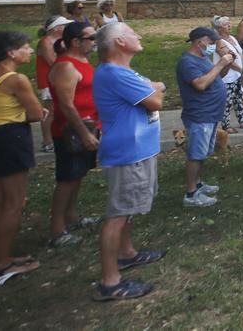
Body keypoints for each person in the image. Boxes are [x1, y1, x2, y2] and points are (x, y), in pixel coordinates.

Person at [92, 23, 166, 301]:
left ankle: (127, 253)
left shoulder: (122, 72)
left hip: (139, 150)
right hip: (127, 153)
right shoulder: (114, 73)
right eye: (133, 33)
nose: (140, 35)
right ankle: (110, 282)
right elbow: (156, 100)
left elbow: (151, 93)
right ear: (120, 42)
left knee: (128, 210)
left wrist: (152, 88)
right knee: (118, 214)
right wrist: (155, 87)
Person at [0, 31, 46, 283]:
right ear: (11, 53)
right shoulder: (16, 79)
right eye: (25, 48)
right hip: (11, 139)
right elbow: (35, 114)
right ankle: (1, 264)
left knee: (0, 201)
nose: (30, 51)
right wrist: (38, 110)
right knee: (14, 203)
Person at [47, 23, 101, 247]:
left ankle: (71, 216)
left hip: (88, 127)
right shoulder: (66, 66)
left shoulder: (83, 61)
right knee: (67, 179)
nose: (95, 41)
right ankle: (57, 230)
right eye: (91, 38)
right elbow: (66, 106)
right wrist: (84, 134)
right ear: (76, 42)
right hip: (71, 131)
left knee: (77, 175)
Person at [176, 26, 234, 207]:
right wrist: (220, 64)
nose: (213, 46)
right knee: (195, 154)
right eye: (210, 42)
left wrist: (227, 65)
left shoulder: (203, 57)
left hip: (210, 114)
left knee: (202, 154)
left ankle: (198, 183)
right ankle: (191, 194)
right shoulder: (187, 62)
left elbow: (215, 77)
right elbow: (200, 84)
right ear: (199, 41)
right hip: (199, 115)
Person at [36, 15, 71, 153]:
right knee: (50, 111)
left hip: (60, 79)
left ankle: (58, 136)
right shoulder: (46, 41)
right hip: (48, 81)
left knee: (61, 110)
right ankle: (47, 141)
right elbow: (53, 62)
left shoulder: (61, 41)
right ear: (56, 28)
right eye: (64, 25)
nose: (66, 28)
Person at [212, 16, 243, 133]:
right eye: (226, 24)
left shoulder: (232, 38)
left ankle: (242, 120)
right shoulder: (219, 42)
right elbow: (227, 58)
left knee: (239, 98)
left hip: (237, 75)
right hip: (227, 76)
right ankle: (225, 126)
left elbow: (239, 53)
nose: (229, 26)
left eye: (229, 23)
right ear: (219, 28)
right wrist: (240, 69)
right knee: (227, 102)